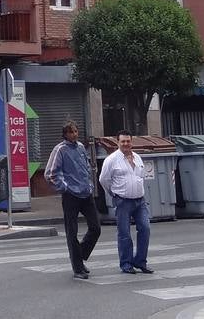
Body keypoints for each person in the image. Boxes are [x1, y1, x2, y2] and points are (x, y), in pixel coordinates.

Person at [44, 120, 99, 280]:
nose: (74, 134)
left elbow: (86, 167)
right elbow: (50, 173)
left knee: (95, 228)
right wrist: (65, 187)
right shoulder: (60, 150)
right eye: (71, 132)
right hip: (71, 196)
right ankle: (77, 268)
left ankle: (79, 255)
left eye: (76, 131)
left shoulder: (81, 147)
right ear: (65, 134)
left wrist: (89, 184)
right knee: (72, 232)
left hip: (86, 193)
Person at [98, 131, 153, 275]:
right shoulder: (111, 160)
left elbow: (141, 177)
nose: (126, 144)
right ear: (118, 143)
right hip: (122, 201)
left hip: (140, 200)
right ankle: (126, 263)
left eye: (128, 141)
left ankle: (140, 261)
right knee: (124, 234)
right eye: (123, 141)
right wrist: (114, 193)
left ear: (131, 142)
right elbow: (103, 180)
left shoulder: (138, 158)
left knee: (145, 229)